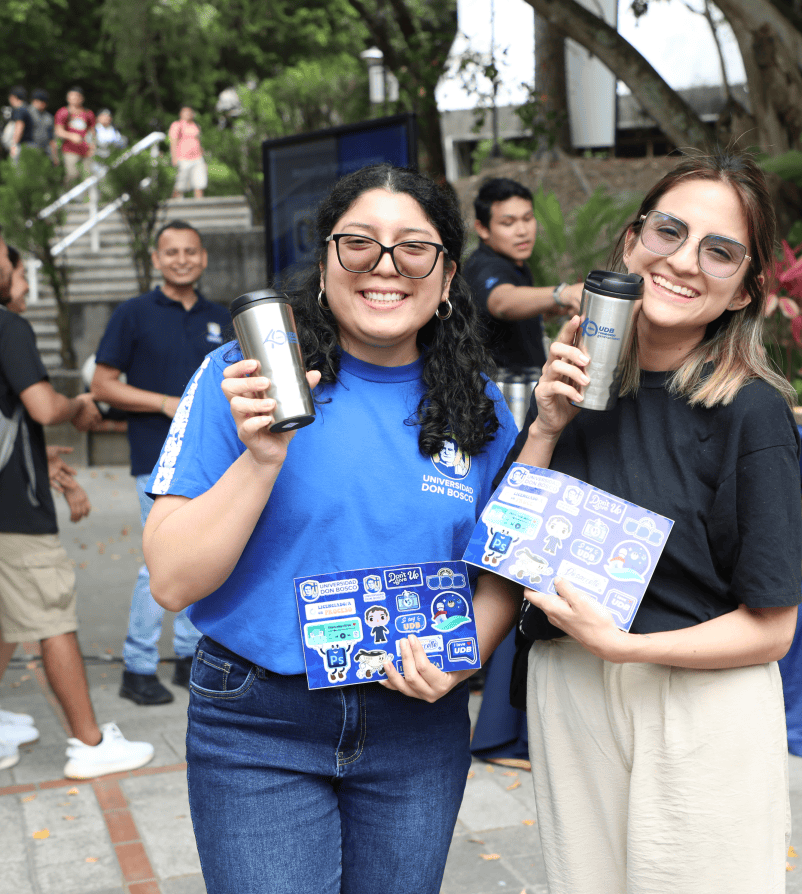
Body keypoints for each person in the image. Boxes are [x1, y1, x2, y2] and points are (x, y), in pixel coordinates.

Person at [141, 164, 521, 894]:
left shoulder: (478, 409)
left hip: (418, 724)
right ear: (324, 265)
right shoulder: (242, 378)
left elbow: (502, 562)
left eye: (414, 248)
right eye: (359, 244)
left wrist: (467, 652)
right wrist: (262, 457)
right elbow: (171, 580)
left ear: (446, 279)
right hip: (260, 722)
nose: (385, 267)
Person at [510, 150, 802, 894]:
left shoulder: (751, 414)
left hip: (696, 702)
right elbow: (507, 554)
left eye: (720, 250)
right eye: (669, 231)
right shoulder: (575, 385)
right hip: (569, 692)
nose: (683, 261)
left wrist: (626, 647)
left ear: (745, 290)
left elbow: (773, 628)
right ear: (632, 240)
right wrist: (544, 426)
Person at [0, 224, 155, 778]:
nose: (19, 275)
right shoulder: (8, 327)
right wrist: (80, 404)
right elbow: (42, 407)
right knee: (53, 618)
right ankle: (89, 745)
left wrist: (44, 463)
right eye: (13, 264)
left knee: (6, 620)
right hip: (14, 514)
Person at [91, 221, 231, 706]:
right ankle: (138, 666)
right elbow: (102, 385)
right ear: (156, 259)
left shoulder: (223, 317)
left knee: (207, 558)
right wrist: (163, 403)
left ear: (203, 257)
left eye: (190, 251)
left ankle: (191, 658)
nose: (181, 259)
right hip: (156, 459)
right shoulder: (132, 314)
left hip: (217, 462)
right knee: (158, 565)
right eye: (171, 252)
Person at [464, 178, 582, 373]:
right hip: (502, 393)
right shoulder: (483, 266)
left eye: (527, 219)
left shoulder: (516, 264)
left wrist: (553, 307)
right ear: (483, 229)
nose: (522, 231)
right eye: (508, 223)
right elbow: (502, 302)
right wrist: (562, 293)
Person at [53, 86, 95, 185]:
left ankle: (86, 199)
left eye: (77, 96)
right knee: (72, 175)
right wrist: (71, 136)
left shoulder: (88, 113)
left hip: (86, 150)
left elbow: (92, 131)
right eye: (72, 96)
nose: (75, 98)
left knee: (88, 176)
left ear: (82, 98)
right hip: (70, 149)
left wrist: (92, 145)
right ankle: (68, 197)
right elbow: (58, 131)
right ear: (68, 98)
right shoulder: (63, 112)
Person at [168, 106, 207, 198]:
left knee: (200, 184)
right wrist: (174, 158)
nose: (188, 114)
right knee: (180, 186)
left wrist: (203, 158)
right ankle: (174, 206)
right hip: (183, 158)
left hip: (197, 158)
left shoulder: (195, 125)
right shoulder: (177, 125)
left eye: (190, 112)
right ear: (181, 114)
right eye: (186, 112)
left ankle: (199, 208)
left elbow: (198, 142)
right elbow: (173, 142)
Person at [27, 89, 57, 163]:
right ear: (33, 101)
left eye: (44, 102)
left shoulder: (48, 117)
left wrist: (55, 156)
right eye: (39, 101)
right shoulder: (26, 113)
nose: (42, 104)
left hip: (45, 151)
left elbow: (51, 138)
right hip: (28, 149)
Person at [4, 86, 33, 161]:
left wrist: (14, 145)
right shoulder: (25, 109)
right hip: (25, 145)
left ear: (14, 97)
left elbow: (19, 127)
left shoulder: (19, 110)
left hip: (20, 146)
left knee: (18, 170)